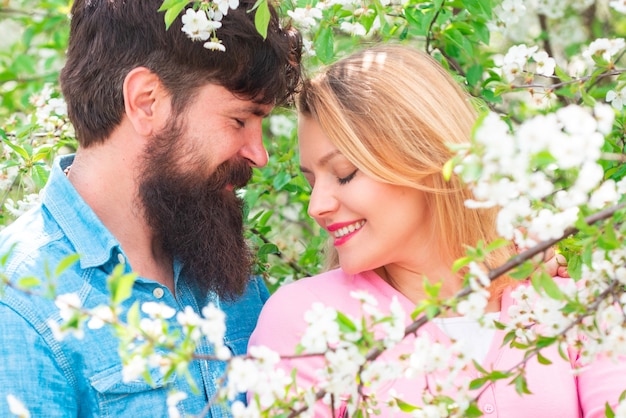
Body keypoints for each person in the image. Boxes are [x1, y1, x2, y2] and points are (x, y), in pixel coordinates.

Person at [249, 45, 624, 417]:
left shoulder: (568, 305)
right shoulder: (307, 321)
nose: (317, 206)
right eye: (312, 180)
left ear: (424, 157)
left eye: (345, 173)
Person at [0, 0, 301, 416]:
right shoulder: (19, 303)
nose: (260, 154)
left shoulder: (223, 265)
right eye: (239, 120)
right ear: (147, 102)